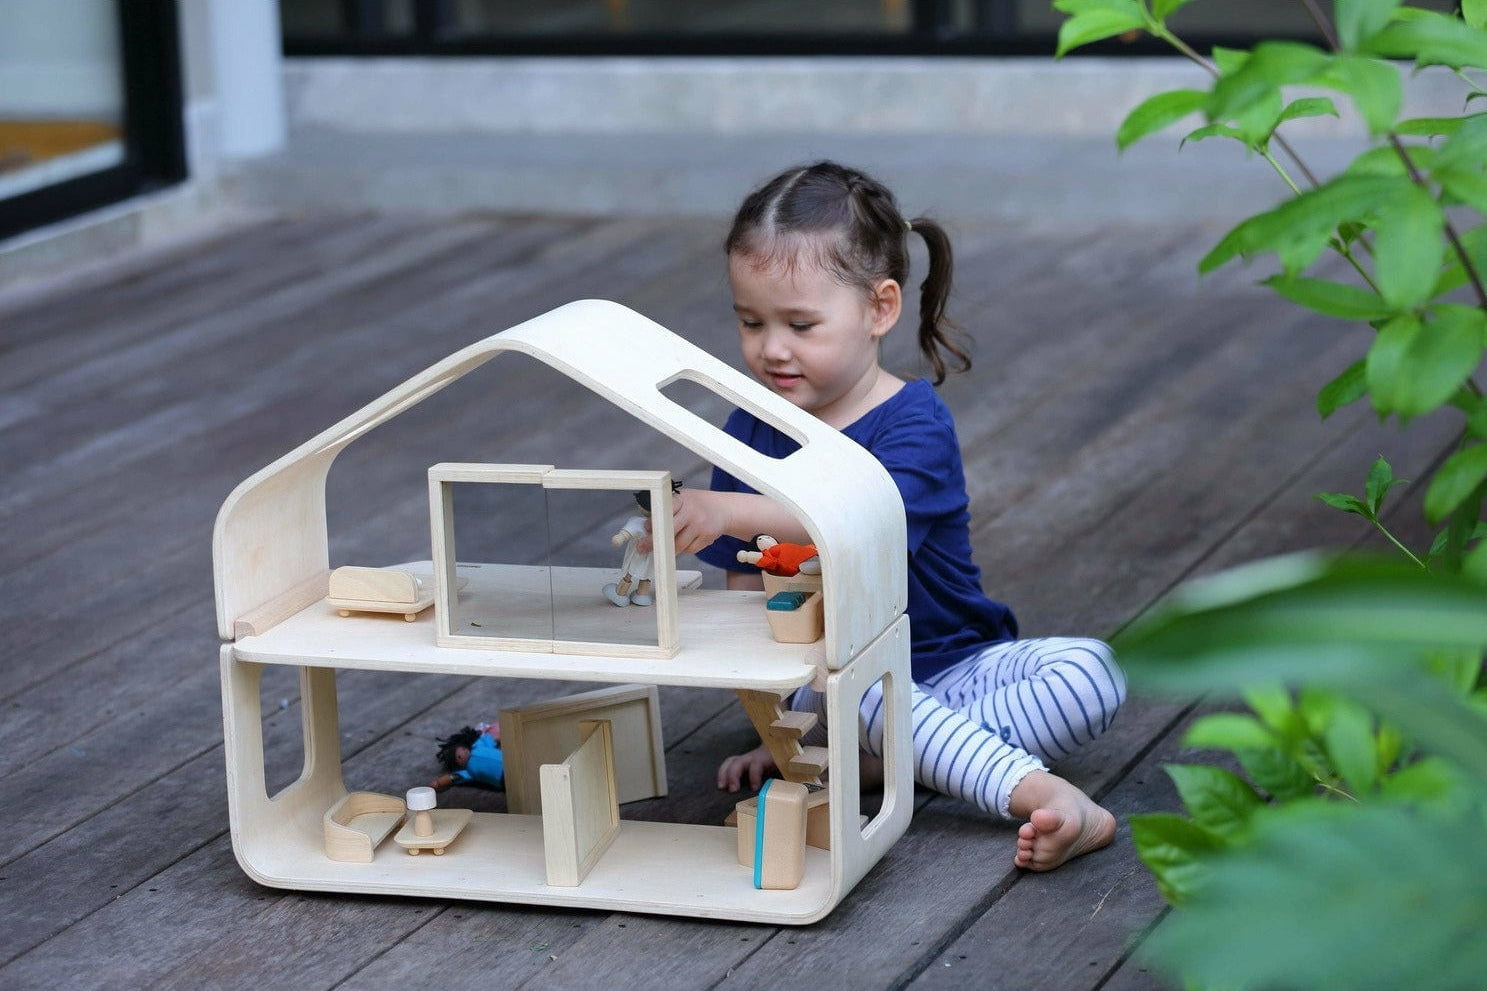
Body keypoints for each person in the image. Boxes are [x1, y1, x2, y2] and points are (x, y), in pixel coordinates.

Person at [669, 161, 1125, 871]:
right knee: (857, 686)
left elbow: (862, 521)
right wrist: (779, 728)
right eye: (750, 321)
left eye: (800, 324)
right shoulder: (748, 430)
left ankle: (881, 762)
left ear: (879, 309)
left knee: (1093, 673)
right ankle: (1039, 791)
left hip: (958, 662)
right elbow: (744, 603)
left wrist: (726, 509)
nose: (771, 347)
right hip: (837, 683)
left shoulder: (914, 423)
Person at [430, 721, 504, 791]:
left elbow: (489, 738)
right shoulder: (468, 771)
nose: (464, 752)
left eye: (463, 749)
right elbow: (452, 777)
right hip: (502, 777)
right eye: (459, 757)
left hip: (508, 759)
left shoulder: (477, 746)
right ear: (458, 763)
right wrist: (438, 783)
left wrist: (495, 730)